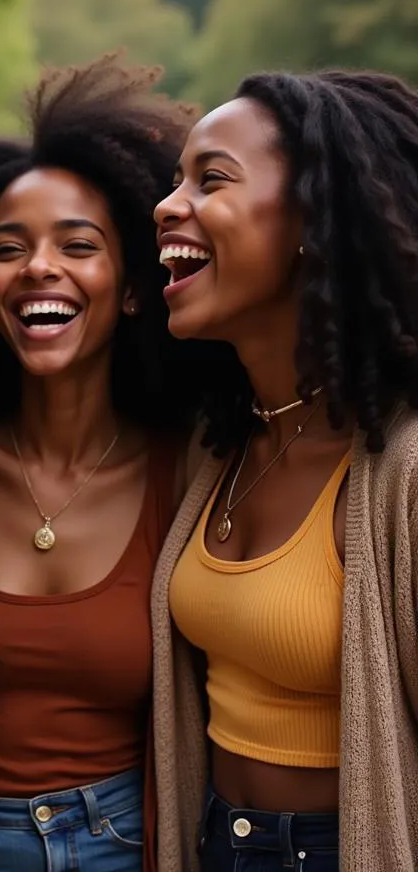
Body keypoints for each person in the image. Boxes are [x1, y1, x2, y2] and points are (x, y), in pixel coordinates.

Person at [0, 58, 201, 872]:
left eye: (78, 245)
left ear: (135, 287)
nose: (39, 266)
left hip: (127, 840)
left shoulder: (187, 469)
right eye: (11, 249)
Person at [151, 70, 418, 872]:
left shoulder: (402, 468)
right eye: (174, 181)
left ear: (313, 217)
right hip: (215, 839)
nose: (168, 206)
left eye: (212, 179)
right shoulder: (216, 447)